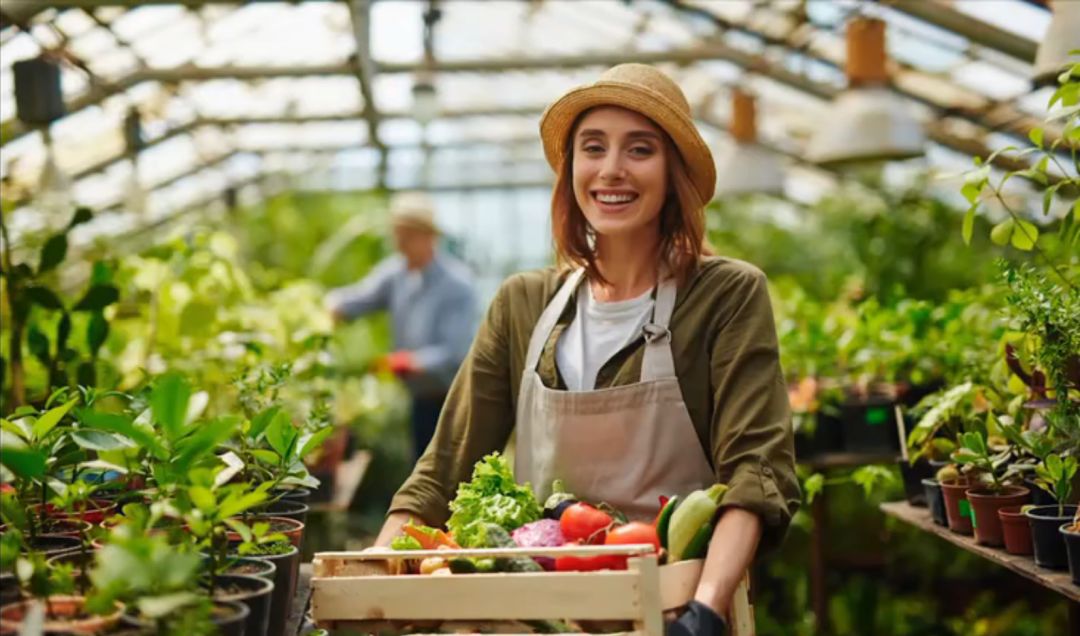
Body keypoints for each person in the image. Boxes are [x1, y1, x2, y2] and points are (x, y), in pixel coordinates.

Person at [374, 65, 799, 634]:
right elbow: (441, 472)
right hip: (534, 615)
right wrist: (369, 583)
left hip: (672, 606)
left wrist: (706, 609)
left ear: (674, 171)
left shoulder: (724, 296)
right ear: (570, 167)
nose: (611, 170)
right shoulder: (522, 304)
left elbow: (757, 470)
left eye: (640, 149)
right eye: (592, 147)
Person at [326, 191, 478, 461]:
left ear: (428, 237)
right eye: (397, 236)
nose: (400, 244)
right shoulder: (396, 274)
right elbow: (360, 298)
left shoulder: (457, 284)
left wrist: (410, 361)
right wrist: (327, 306)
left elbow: (456, 351)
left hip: (452, 400)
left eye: (406, 237)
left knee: (449, 469)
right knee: (422, 465)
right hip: (420, 396)